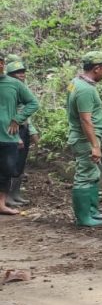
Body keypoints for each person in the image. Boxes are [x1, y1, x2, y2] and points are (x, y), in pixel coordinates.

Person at [67, 51, 102, 227]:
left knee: (92, 174)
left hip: (84, 137)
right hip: (85, 139)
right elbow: (85, 119)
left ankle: (91, 211)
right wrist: (95, 145)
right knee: (84, 175)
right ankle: (83, 218)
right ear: (97, 68)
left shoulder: (75, 83)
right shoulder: (85, 90)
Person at [0, 54, 39, 215]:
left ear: (1, 64)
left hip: (7, 136)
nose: (21, 74)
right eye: (17, 71)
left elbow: (33, 103)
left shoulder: (14, 85)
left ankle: (1, 203)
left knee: (6, 171)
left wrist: (18, 119)